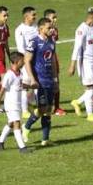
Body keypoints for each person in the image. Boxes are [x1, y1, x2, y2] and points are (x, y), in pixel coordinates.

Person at [23, 17, 58, 146]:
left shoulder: (52, 42)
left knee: (48, 109)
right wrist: (32, 78)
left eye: (52, 28)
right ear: (41, 29)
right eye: (49, 28)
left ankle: (45, 139)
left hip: (49, 80)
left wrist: (55, 80)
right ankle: (26, 127)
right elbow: (27, 61)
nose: (51, 30)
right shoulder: (34, 42)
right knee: (43, 108)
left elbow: (53, 62)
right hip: (40, 81)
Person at [69, 7, 93, 123]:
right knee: (90, 87)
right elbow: (77, 47)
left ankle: (77, 102)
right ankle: (90, 114)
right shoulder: (81, 29)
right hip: (85, 62)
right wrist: (72, 65)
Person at [0, 51, 32, 153]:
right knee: (17, 124)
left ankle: (0, 142)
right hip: (11, 104)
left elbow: (20, 85)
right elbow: (2, 89)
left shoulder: (20, 73)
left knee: (11, 123)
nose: (24, 62)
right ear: (16, 61)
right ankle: (22, 148)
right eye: (22, 61)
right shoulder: (9, 75)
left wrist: (30, 86)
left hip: (17, 104)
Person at [14, 6, 38, 120]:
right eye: (33, 15)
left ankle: (32, 104)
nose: (35, 17)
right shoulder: (20, 30)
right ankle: (24, 111)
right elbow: (20, 48)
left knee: (35, 83)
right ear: (26, 16)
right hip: (26, 61)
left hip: (37, 60)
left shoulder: (36, 27)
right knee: (25, 86)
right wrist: (27, 60)